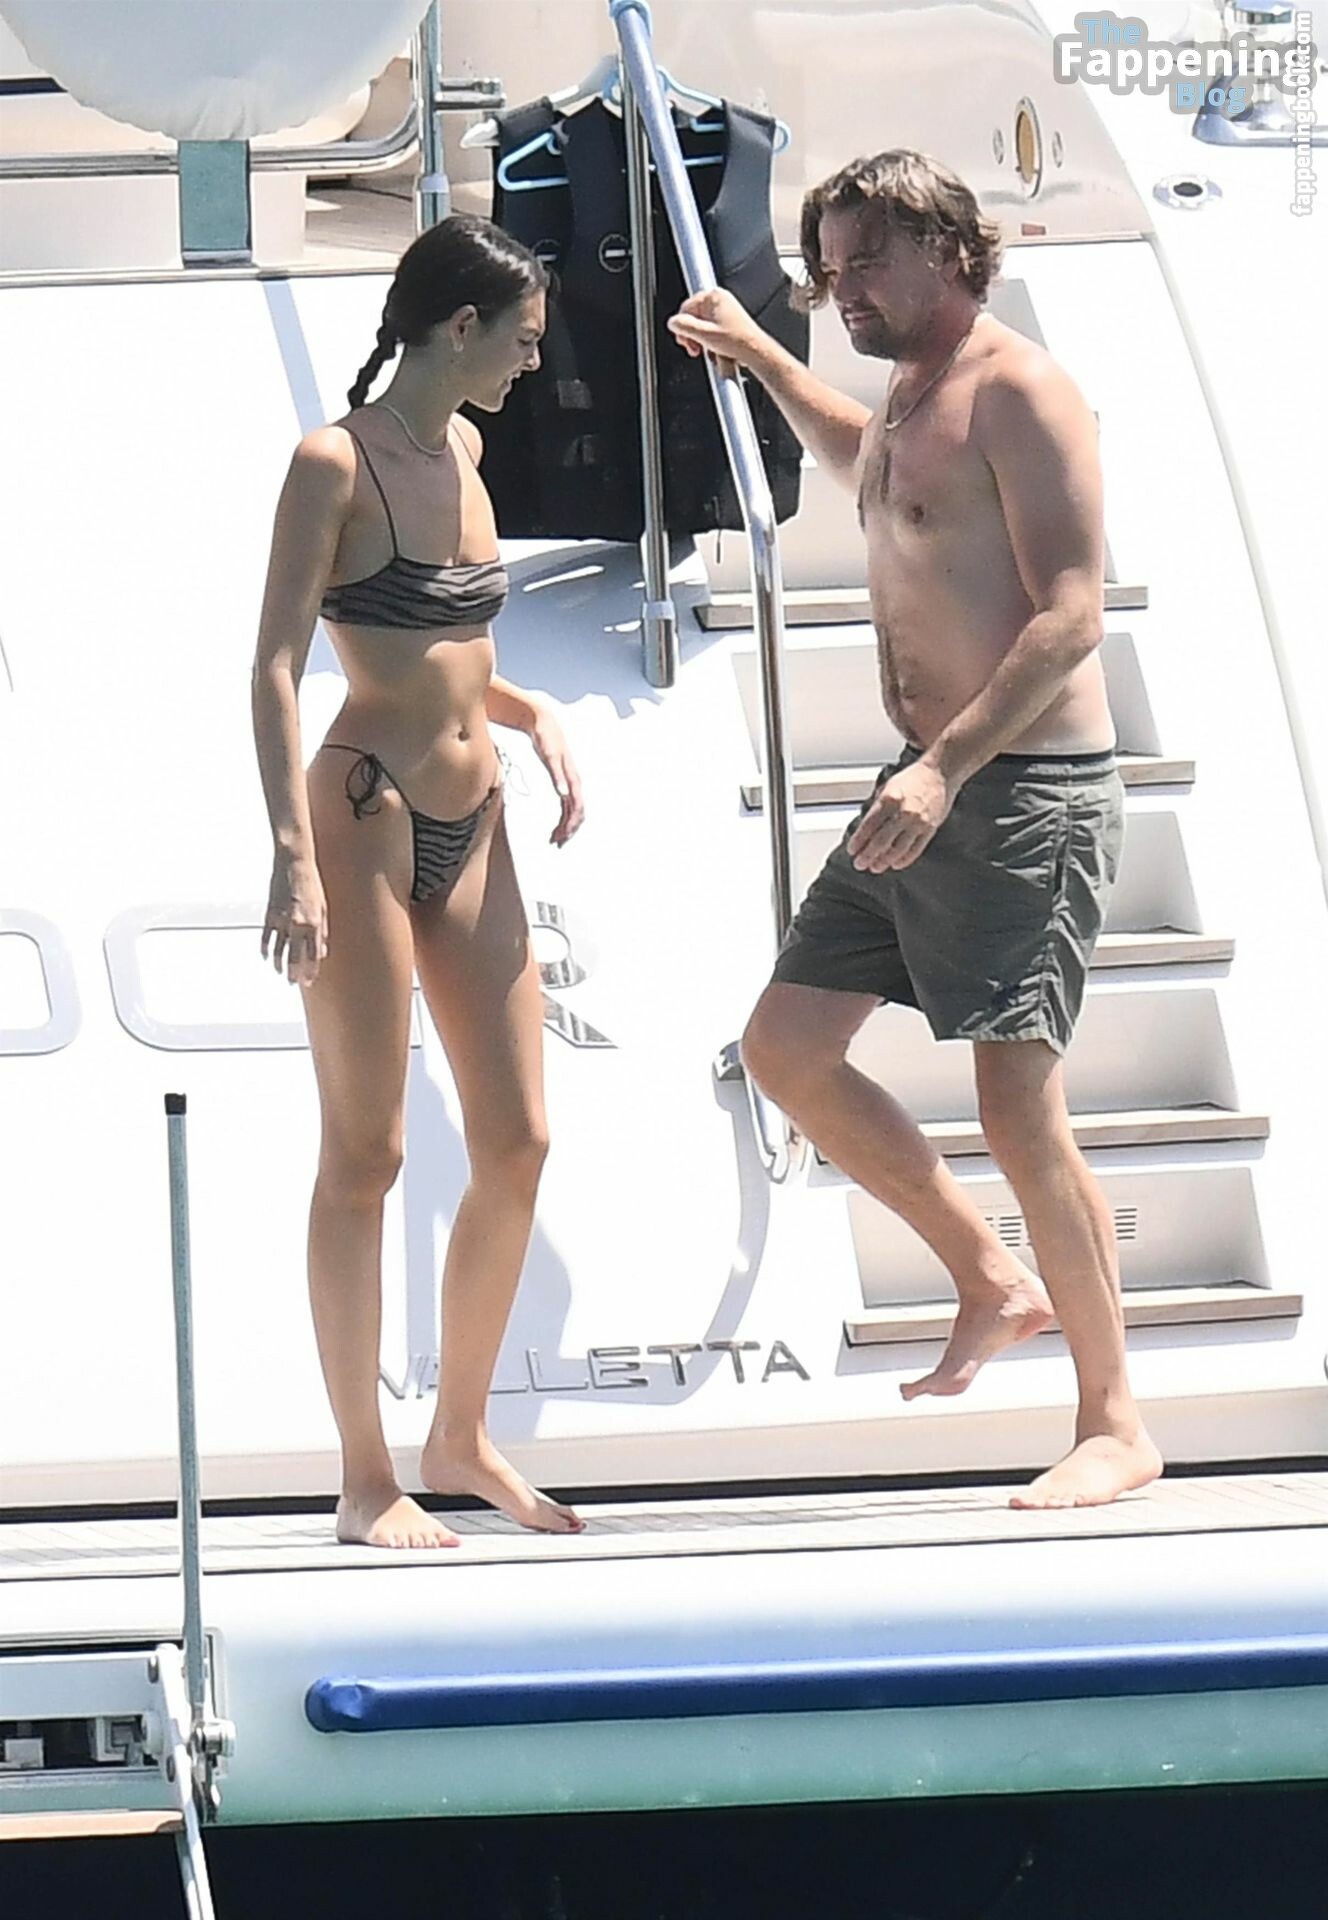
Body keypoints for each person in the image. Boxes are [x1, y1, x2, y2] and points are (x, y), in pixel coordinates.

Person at [669, 150, 1162, 1509]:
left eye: (866, 264)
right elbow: (871, 468)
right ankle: (991, 1279)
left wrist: (943, 770)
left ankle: (1116, 1422)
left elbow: (1072, 614)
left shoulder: (1020, 390)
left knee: (1019, 1107)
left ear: (947, 249)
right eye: (829, 269)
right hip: (926, 782)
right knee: (784, 1048)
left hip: (1018, 794)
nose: (844, 291)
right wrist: (766, 357)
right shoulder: (907, 392)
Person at [251, 213, 586, 1548]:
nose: (532, 365)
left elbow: (450, 650)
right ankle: (364, 1475)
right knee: (369, 1150)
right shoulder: (333, 462)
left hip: (477, 813)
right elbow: (279, 666)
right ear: (460, 328)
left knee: (519, 1141)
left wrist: (530, 709)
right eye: (524, 340)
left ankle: (460, 1435)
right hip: (364, 818)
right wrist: (290, 854)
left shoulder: (467, 451)